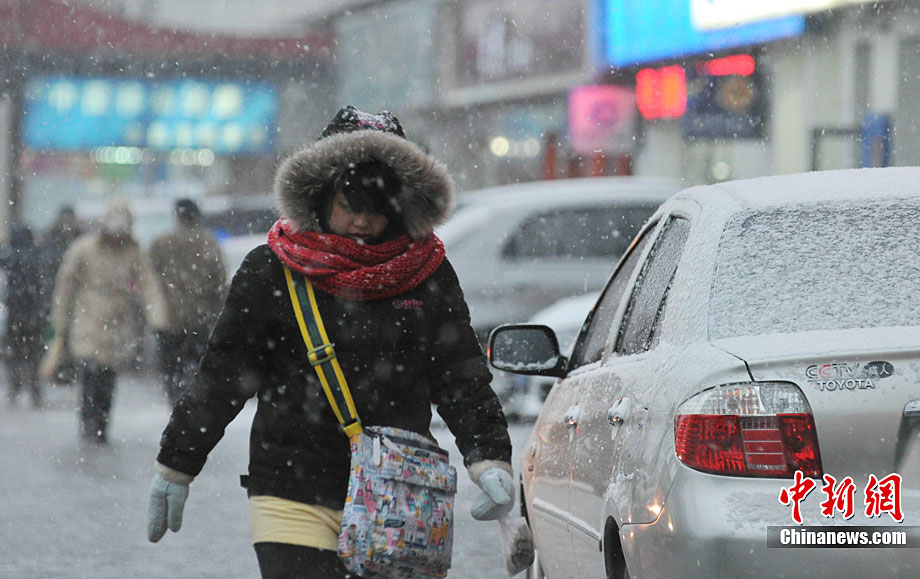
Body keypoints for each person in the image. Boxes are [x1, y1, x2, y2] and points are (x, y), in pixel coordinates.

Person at [146, 106, 515, 578]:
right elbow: (223, 377)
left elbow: (460, 375)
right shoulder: (270, 269)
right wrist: (176, 464)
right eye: (350, 204)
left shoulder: (427, 273)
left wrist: (488, 457)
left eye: (377, 207)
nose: (362, 221)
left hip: (398, 492)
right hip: (291, 490)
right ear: (320, 194)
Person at [40, 198, 167, 444]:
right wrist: (60, 321)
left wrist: (157, 318)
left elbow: (149, 285)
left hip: (117, 325)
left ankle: (100, 424)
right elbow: (66, 287)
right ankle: (89, 423)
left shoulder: (133, 253)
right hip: (87, 319)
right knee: (90, 371)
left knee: (107, 377)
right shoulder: (84, 249)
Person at [148, 198, 227, 405]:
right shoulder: (208, 242)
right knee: (198, 370)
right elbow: (219, 282)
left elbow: (149, 278)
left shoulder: (161, 243)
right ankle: (194, 407)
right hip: (200, 319)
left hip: (169, 319)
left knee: (171, 371)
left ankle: (177, 405)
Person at [0, 225, 46, 408]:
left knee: (14, 354)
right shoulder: (36, 255)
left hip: (14, 314)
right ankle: (35, 391)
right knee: (34, 355)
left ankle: (15, 387)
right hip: (34, 314)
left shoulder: (9, 256)